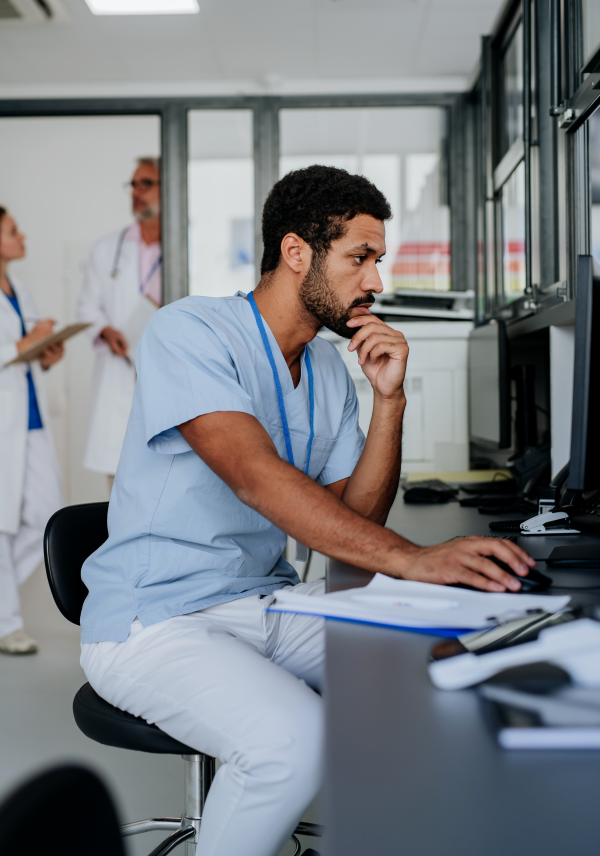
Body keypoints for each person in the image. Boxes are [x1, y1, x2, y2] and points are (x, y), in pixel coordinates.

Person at [79, 166, 534, 856]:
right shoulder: (190, 331)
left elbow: (359, 518)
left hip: (265, 606)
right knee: (292, 739)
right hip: (154, 622)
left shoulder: (325, 368)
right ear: (298, 253)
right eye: (360, 257)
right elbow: (256, 478)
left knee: (448, 654)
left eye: (376, 260)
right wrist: (413, 560)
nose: (375, 281)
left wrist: (390, 401)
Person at [0, 207, 64, 655]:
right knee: (0, 524)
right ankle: (7, 624)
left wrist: (44, 353)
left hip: (30, 417)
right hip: (5, 420)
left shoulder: (17, 288)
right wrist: (21, 345)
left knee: (47, 514)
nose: (21, 236)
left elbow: (21, 352)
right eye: (11, 231)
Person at [77, 157, 162, 489]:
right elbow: (86, 307)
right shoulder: (106, 248)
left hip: (163, 369)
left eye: (146, 184)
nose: (136, 192)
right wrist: (104, 330)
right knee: (121, 486)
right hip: (121, 368)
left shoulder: (182, 246)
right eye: (133, 184)